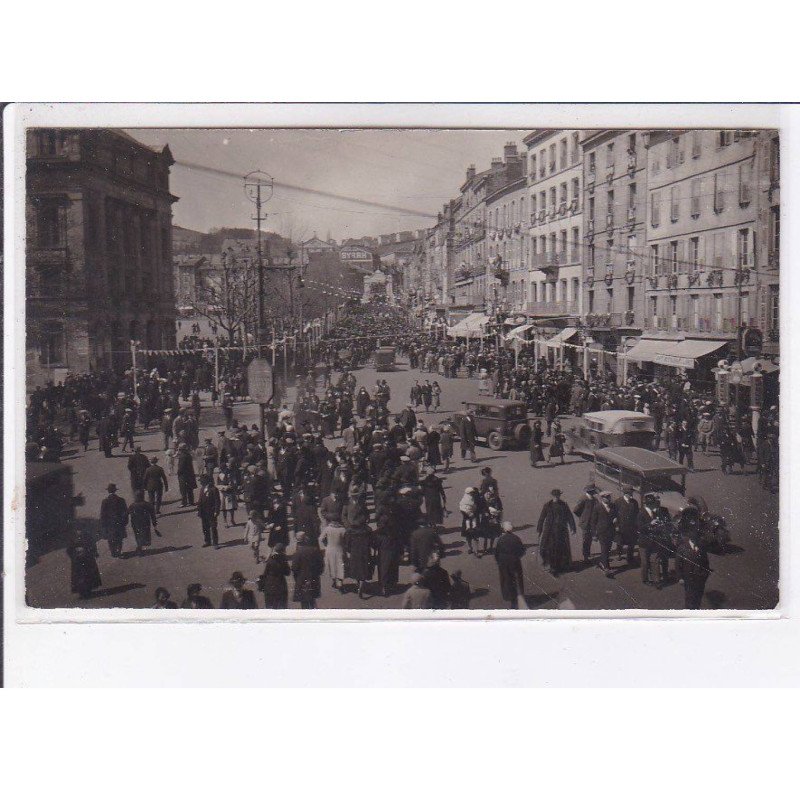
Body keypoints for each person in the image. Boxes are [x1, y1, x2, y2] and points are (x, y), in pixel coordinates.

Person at [536, 488, 576, 576]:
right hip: (549, 531)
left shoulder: (564, 505)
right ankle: (551, 565)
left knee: (560, 549)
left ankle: (558, 566)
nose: (557, 498)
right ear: (552, 496)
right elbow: (542, 518)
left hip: (561, 531)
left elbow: (569, 516)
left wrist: (573, 527)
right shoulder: (547, 505)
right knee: (548, 548)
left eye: (558, 496)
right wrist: (539, 529)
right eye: (555, 496)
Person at [675, 531, 711, 609]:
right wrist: (680, 578)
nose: (696, 541)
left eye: (697, 539)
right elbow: (678, 565)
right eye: (694, 540)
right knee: (689, 598)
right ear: (690, 539)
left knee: (698, 597)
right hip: (688, 578)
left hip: (700, 578)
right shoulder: (682, 548)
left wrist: (705, 575)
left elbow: (706, 562)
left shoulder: (701, 547)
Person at [494, 521, 525, 609]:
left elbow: (497, 552)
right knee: (517, 579)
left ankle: (509, 597)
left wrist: (498, 560)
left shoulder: (501, 539)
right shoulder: (516, 538)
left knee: (506, 579)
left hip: (503, 562)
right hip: (514, 561)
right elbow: (522, 551)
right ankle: (518, 596)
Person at [292, 531, 324, 609]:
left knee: (304, 601)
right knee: (312, 598)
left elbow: (294, 568)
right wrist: (317, 573)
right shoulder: (314, 550)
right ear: (306, 540)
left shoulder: (297, 553)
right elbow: (321, 564)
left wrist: (296, 577)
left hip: (301, 579)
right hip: (313, 578)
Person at [66, 529, 102, 600]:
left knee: (87, 574)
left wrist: (93, 552)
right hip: (78, 559)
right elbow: (69, 548)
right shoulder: (73, 537)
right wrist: (74, 554)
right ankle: (83, 591)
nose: (79, 531)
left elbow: (92, 544)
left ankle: (87, 590)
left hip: (86, 558)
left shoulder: (87, 535)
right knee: (81, 575)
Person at [345, 522, 375, 599]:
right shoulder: (368, 530)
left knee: (356, 570)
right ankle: (361, 586)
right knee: (364, 570)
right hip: (365, 552)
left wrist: (349, 550)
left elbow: (347, 544)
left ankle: (359, 585)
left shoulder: (350, 531)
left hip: (355, 552)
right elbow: (372, 542)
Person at [590, 491, 617, 576]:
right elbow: (593, 522)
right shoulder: (597, 507)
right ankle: (606, 568)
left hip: (611, 531)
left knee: (607, 549)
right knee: (604, 548)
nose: (608, 499)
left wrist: (615, 519)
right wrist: (594, 534)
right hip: (602, 532)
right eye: (607, 497)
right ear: (602, 498)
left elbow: (616, 515)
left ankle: (602, 563)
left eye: (609, 497)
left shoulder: (613, 506)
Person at [613, 484, 639, 565]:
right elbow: (614, 515)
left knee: (632, 543)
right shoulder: (618, 502)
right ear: (626, 493)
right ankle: (619, 554)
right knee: (620, 542)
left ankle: (629, 557)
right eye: (630, 492)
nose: (632, 494)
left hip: (632, 526)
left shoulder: (634, 502)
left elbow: (636, 514)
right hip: (621, 526)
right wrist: (616, 526)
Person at [100, 483, 128, 558]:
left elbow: (102, 515)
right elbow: (125, 512)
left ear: (108, 491)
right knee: (119, 538)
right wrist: (125, 522)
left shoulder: (105, 501)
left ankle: (113, 553)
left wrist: (103, 525)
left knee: (110, 538)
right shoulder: (121, 500)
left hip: (109, 524)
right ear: (115, 491)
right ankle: (119, 551)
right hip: (119, 522)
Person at [259, 543, 290, 609]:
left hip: (270, 585)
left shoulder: (270, 560)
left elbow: (265, 573)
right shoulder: (283, 559)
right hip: (281, 584)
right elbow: (287, 572)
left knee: (270, 607)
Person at [573, 484, 598, 564]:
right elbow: (576, 510)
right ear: (590, 491)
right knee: (586, 539)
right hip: (585, 523)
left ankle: (588, 553)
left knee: (589, 538)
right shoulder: (583, 499)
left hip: (592, 523)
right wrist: (582, 517)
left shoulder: (594, 499)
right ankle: (585, 556)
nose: (594, 492)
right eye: (593, 491)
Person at [322, 518, 347, 592]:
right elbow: (346, 539)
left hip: (330, 550)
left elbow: (321, 538)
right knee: (340, 566)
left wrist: (326, 544)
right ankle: (340, 583)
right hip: (339, 549)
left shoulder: (327, 528)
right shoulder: (342, 529)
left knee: (331, 566)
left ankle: (334, 581)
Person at [197, 474, 221, 549]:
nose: (200, 483)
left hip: (211, 511)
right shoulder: (202, 489)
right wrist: (199, 510)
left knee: (213, 527)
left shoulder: (213, 489)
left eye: (202, 481)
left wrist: (216, 511)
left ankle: (215, 543)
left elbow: (217, 501)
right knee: (205, 527)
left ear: (206, 481)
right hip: (203, 512)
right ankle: (207, 541)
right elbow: (200, 501)